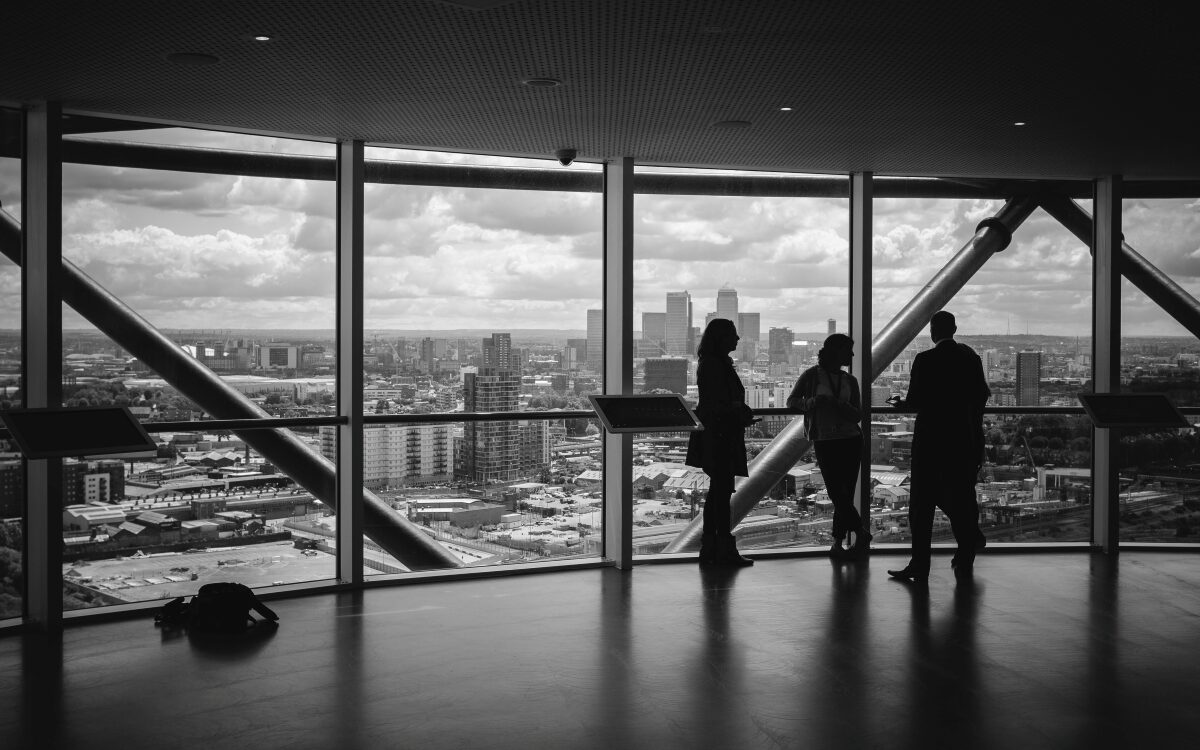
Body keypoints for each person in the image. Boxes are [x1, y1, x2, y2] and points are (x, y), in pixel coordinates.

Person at [888, 310, 990, 583]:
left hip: (931, 441)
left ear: (933, 331)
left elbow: (916, 402)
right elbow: (982, 396)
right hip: (964, 440)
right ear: (954, 329)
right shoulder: (971, 359)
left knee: (922, 505)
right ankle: (967, 549)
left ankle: (920, 564)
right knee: (962, 495)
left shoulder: (925, 359)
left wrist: (900, 405)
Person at [787, 333, 869, 559]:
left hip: (848, 439)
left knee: (843, 493)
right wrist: (813, 402)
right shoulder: (812, 376)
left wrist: (835, 404)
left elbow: (857, 414)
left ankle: (837, 542)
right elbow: (792, 401)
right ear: (836, 352)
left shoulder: (849, 380)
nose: (852, 355)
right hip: (829, 439)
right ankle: (859, 532)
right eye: (848, 350)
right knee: (837, 492)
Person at [685, 318, 757, 566]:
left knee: (719, 492)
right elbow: (719, 403)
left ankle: (713, 547)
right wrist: (739, 413)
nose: (737, 339)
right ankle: (721, 548)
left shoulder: (710, 363)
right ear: (722, 339)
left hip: (715, 434)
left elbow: (714, 402)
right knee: (721, 493)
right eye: (733, 334)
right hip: (721, 435)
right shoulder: (717, 365)